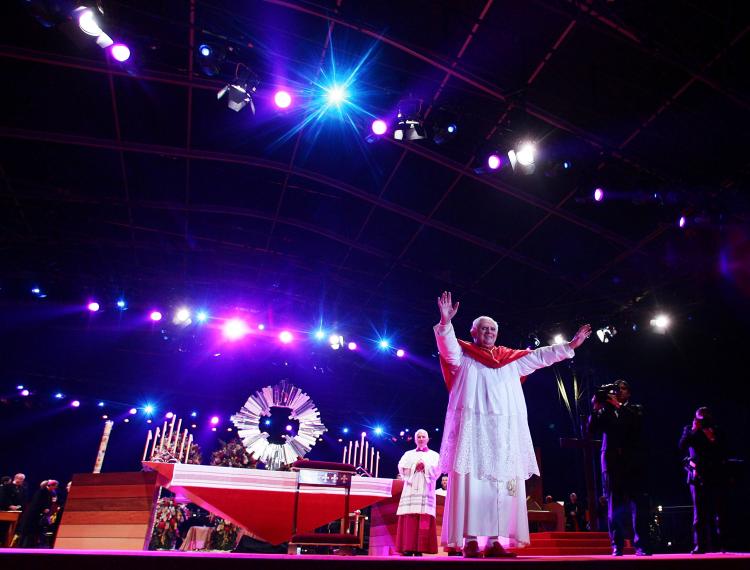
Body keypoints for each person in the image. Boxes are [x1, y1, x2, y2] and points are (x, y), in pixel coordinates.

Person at [435, 291, 592, 558]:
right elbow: (447, 348)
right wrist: (445, 322)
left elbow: (541, 355)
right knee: (474, 485)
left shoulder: (510, 359)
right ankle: (471, 540)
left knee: (500, 487)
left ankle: (495, 541)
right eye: (484, 328)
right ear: (473, 332)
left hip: (503, 435)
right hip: (474, 434)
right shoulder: (464, 355)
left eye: (493, 329)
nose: (489, 332)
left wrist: (570, 346)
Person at [588, 380, 651, 556]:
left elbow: (637, 425)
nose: (617, 391)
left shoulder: (635, 408)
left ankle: (642, 546)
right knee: (614, 505)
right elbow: (591, 430)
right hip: (611, 462)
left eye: (622, 388)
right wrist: (596, 406)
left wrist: (619, 407)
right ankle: (617, 545)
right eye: (615, 389)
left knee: (638, 504)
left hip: (633, 462)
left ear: (628, 393)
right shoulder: (605, 410)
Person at [679, 407, 727, 554]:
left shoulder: (716, 430)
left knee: (719, 511)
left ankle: (721, 544)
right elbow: (681, 446)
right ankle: (699, 545)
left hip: (715, 474)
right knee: (699, 513)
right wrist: (694, 430)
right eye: (700, 418)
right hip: (697, 475)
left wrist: (712, 438)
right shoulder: (690, 429)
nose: (703, 421)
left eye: (705, 418)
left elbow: (723, 450)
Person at [395, 429, 441, 556]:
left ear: (427, 439)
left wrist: (425, 466)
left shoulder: (435, 455)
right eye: (418, 437)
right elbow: (401, 466)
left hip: (426, 488)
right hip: (410, 488)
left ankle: (421, 547)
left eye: (423, 437)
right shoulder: (408, 454)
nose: (421, 439)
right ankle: (407, 547)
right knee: (409, 516)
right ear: (415, 439)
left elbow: (438, 469)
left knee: (423, 516)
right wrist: (415, 465)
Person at [16, 479, 58, 548]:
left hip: (38, 515)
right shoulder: (42, 491)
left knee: (34, 532)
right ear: (50, 485)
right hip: (34, 515)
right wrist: (44, 509)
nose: (56, 488)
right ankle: (24, 547)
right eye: (55, 486)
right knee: (28, 532)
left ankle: (31, 545)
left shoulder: (49, 492)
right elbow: (36, 503)